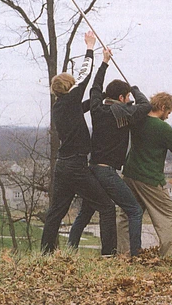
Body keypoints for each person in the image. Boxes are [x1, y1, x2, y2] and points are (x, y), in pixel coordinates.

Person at [67, 47, 152, 256]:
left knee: (85, 213)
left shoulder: (97, 109)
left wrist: (104, 62)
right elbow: (146, 105)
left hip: (92, 168)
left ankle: (69, 252)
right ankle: (135, 254)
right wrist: (136, 88)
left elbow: (95, 88)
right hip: (107, 172)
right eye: (127, 97)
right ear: (122, 97)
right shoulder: (124, 113)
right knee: (134, 210)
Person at [40, 31, 117, 256]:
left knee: (55, 212)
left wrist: (99, 97)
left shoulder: (60, 107)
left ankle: (45, 254)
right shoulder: (70, 100)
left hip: (63, 166)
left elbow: (82, 107)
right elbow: (84, 76)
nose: (76, 86)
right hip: (75, 166)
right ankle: (109, 254)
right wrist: (92, 50)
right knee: (106, 206)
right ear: (68, 88)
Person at [117, 92, 172, 257]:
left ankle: (122, 253)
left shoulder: (138, 119)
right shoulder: (163, 128)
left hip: (129, 174)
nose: (168, 117)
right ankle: (167, 256)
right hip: (150, 178)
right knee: (166, 213)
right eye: (168, 112)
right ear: (162, 108)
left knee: (127, 214)